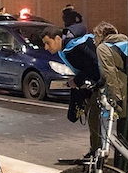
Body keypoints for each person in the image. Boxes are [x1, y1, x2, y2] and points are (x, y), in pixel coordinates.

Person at [40, 25, 101, 159]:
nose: (46, 48)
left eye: (47, 43)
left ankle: (96, 152)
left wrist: (76, 81)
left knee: (93, 115)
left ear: (57, 38)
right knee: (93, 116)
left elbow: (93, 67)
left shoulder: (73, 48)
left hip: (102, 84)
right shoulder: (69, 45)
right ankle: (96, 150)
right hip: (96, 83)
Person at [93, 21, 128, 168]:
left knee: (123, 136)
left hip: (125, 95)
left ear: (101, 35)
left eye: (95, 36)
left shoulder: (103, 48)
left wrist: (116, 100)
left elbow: (110, 74)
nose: (94, 41)